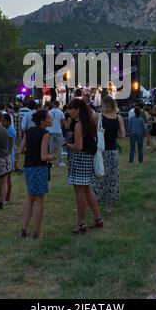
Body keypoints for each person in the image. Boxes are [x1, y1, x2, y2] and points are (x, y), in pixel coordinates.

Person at [64, 98, 103, 233]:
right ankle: (98, 218)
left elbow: (78, 146)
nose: (69, 112)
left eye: (71, 109)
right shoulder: (90, 122)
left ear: (77, 110)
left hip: (79, 159)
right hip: (87, 158)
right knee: (87, 190)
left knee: (80, 192)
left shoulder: (79, 125)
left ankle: (81, 223)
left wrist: (67, 145)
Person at [20, 109, 55, 239]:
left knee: (30, 198)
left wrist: (31, 150)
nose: (51, 120)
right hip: (39, 168)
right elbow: (43, 156)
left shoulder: (28, 132)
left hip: (28, 167)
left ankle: (24, 229)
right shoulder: (45, 134)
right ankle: (37, 232)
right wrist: (52, 156)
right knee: (39, 200)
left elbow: (20, 150)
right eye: (49, 118)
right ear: (43, 121)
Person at [92, 97, 125, 213]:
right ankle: (109, 204)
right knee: (112, 177)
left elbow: (90, 129)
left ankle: (95, 198)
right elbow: (123, 135)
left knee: (97, 174)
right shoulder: (119, 118)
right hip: (112, 151)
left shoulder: (97, 116)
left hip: (100, 150)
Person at [48, 102, 66, 168]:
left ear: (53, 105)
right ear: (58, 105)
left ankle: (50, 163)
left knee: (51, 147)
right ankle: (60, 162)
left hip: (50, 131)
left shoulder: (49, 112)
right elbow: (63, 122)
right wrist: (59, 126)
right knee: (59, 147)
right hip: (58, 131)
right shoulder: (61, 112)